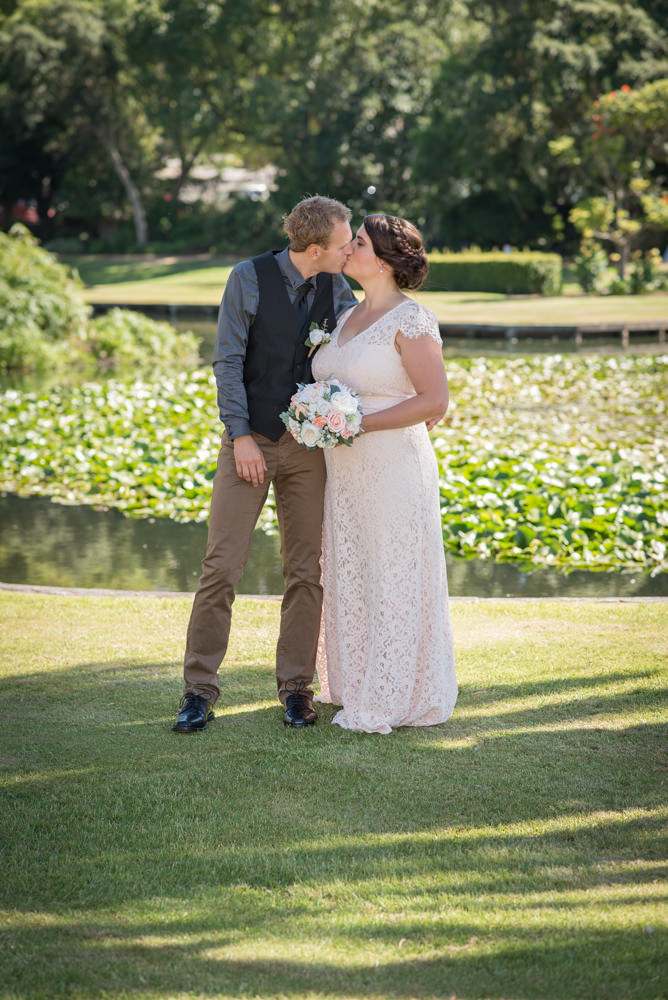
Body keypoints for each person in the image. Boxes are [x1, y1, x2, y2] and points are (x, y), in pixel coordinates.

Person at [173, 196, 357, 732]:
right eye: (345, 244)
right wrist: (241, 439)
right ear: (316, 248)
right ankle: (199, 690)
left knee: (306, 572)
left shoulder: (336, 286)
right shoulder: (247, 278)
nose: (350, 251)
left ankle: (296, 689)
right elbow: (226, 362)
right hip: (248, 444)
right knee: (221, 568)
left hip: (307, 451)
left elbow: (360, 345)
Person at [312, 214, 457, 733]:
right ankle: (355, 683)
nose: (348, 249)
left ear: (387, 261)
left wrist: (360, 423)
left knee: (393, 572)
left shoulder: (411, 320)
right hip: (345, 471)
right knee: (353, 572)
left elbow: (434, 400)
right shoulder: (346, 313)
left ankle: (394, 693)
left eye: (359, 243)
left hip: (393, 465)